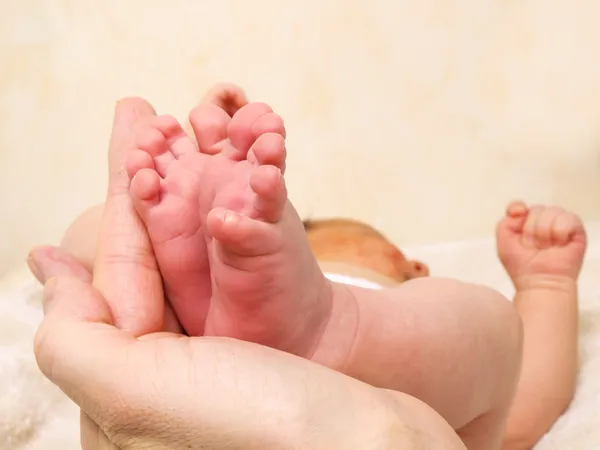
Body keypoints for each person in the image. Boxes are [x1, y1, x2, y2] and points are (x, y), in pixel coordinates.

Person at [29, 86, 586, 450]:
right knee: (494, 329)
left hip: (370, 345)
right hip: (212, 332)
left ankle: (323, 322)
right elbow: (528, 403)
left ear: (409, 265)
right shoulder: (405, 294)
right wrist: (545, 285)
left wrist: (545, 282)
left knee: (485, 323)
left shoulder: (412, 290)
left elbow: (518, 402)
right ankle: (203, 255)